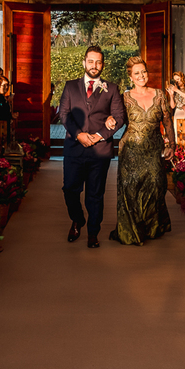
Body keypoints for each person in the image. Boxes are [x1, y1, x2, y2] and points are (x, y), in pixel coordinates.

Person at [59, 45, 125, 248]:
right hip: (74, 148)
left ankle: (93, 233)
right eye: (91, 61)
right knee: (69, 189)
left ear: (102, 65)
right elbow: (64, 114)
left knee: (95, 194)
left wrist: (99, 136)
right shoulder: (70, 86)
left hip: (100, 151)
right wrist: (79, 135)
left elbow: (119, 116)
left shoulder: (111, 88)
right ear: (84, 62)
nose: (94, 65)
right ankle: (77, 219)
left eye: (98, 62)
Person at [111, 57, 173, 245]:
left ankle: (151, 227)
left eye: (143, 72)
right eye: (136, 73)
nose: (141, 76)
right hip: (130, 149)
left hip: (154, 148)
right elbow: (117, 118)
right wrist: (108, 120)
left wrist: (171, 144)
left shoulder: (159, 94)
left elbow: (167, 121)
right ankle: (132, 231)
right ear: (130, 77)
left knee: (156, 185)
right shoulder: (124, 97)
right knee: (130, 189)